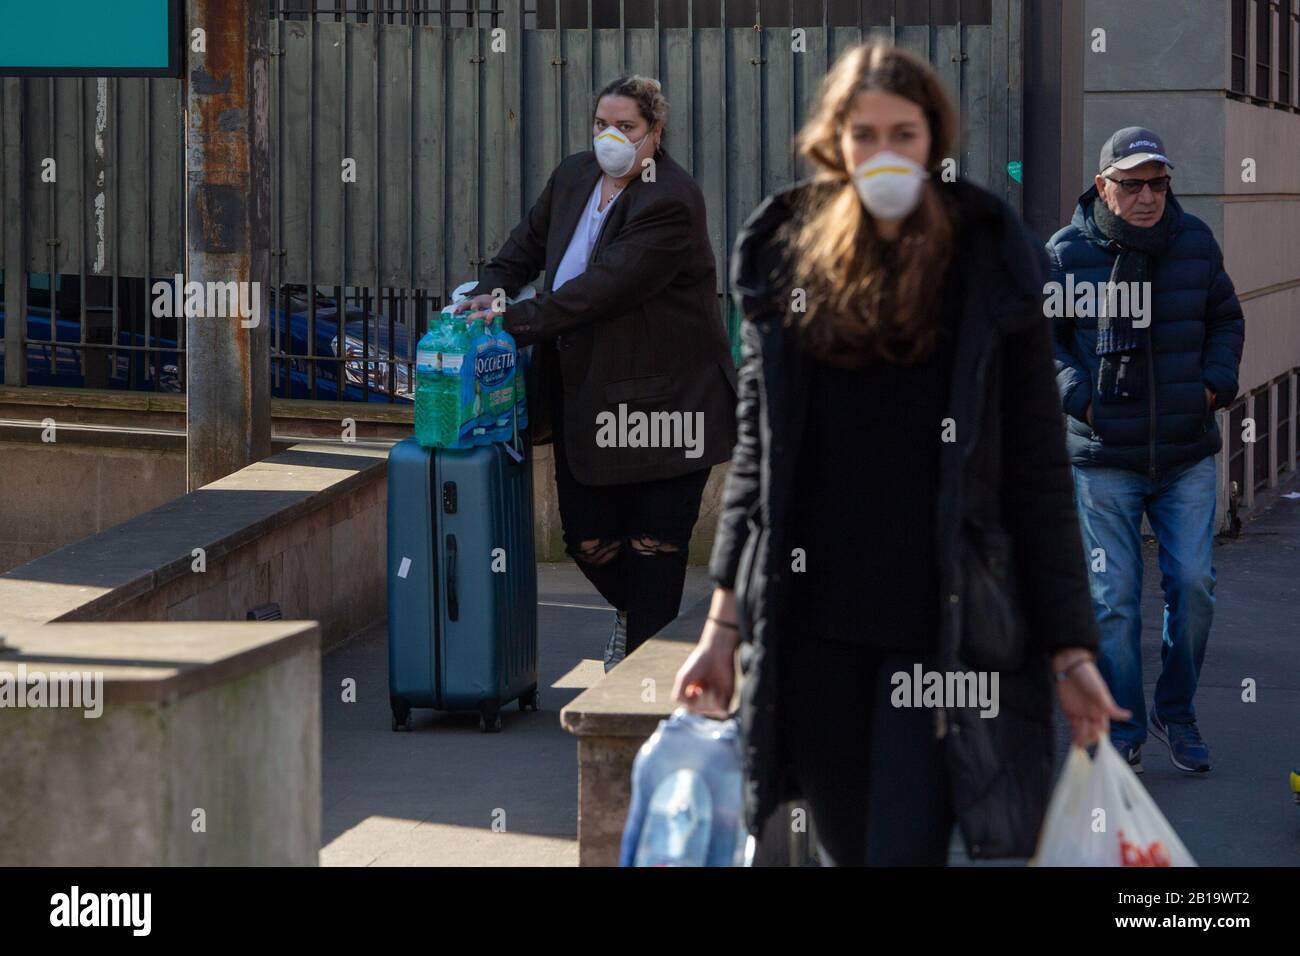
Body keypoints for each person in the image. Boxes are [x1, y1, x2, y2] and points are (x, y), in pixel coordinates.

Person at [671, 42, 1126, 866]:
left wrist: (1071, 648)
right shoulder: (784, 254)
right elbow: (756, 469)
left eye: (904, 134)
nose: (884, 153)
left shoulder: (988, 257)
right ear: (834, 145)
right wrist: (719, 627)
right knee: (845, 846)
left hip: (942, 633)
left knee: (900, 845)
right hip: (813, 634)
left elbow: (1038, 472)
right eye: (864, 134)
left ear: (935, 142)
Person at [457, 75, 738, 671]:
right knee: (587, 540)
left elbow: (602, 290)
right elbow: (524, 249)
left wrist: (512, 320)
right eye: (601, 124)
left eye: (627, 128)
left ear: (655, 135)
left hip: (669, 402)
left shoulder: (671, 199)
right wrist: (486, 294)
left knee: (654, 545)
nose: (611, 137)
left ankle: (643, 693)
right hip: (587, 392)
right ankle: (640, 625)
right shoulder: (575, 175)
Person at [1047, 128, 1245, 774]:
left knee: (1193, 583)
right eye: (1132, 183)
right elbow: (1037, 345)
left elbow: (1226, 317)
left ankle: (1176, 710)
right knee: (1115, 595)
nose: (1148, 195)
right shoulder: (1067, 254)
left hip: (1186, 451)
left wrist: (1214, 385)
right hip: (1104, 456)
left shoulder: (1194, 243)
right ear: (1104, 186)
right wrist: (1079, 396)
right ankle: (1125, 724)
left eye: (1158, 182)